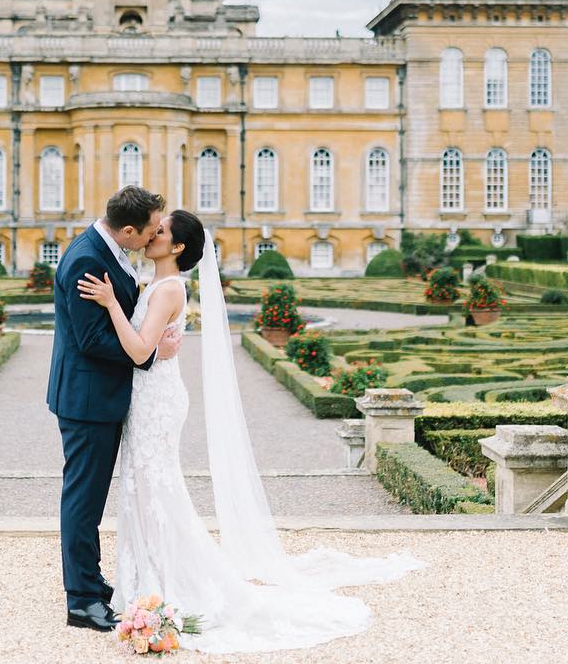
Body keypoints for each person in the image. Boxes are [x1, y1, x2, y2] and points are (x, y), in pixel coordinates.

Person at [78, 210, 423, 654]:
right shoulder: (160, 285)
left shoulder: (166, 289)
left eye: (159, 232)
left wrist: (109, 304)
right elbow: (148, 345)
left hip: (155, 404)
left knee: (153, 491)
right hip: (151, 397)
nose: (150, 235)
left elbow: (141, 348)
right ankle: (149, 582)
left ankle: (160, 588)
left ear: (178, 247)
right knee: (146, 491)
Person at [47, 186, 183, 631]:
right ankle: (82, 600)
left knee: (89, 498)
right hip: (87, 401)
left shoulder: (109, 248)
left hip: (100, 397)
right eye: (148, 232)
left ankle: (91, 582)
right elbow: (90, 340)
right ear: (128, 229)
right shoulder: (89, 258)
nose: (151, 239)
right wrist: (147, 352)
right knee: (84, 502)